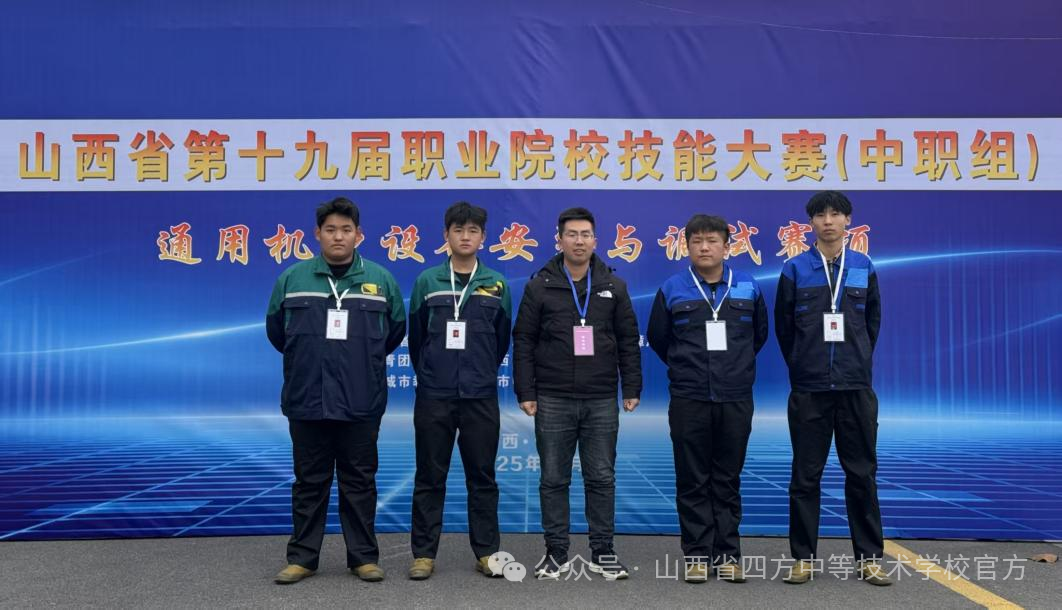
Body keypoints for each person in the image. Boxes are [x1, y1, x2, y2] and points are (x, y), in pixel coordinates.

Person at [266, 196, 406, 584]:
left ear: (359, 235)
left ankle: (363, 557)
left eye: (346, 229)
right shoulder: (292, 279)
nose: (338, 236)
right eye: (330, 229)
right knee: (309, 483)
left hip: (361, 400)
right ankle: (302, 558)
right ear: (317, 234)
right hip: (307, 399)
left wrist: (359, 366)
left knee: (359, 482)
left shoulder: (381, 280)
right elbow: (277, 333)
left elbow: (394, 333)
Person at [512, 206, 642, 581]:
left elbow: (628, 340)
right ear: (560, 240)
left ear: (595, 241)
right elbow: (524, 341)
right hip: (553, 397)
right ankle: (556, 553)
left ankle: (603, 552)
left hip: (601, 397)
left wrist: (631, 386)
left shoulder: (614, 286)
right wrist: (526, 390)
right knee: (554, 479)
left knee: (601, 477)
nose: (579, 241)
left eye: (586, 235)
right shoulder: (540, 285)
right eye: (572, 234)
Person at [774, 191, 890, 586]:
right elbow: (784, 329)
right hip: (810, 389)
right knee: (805, 476)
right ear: (810, 223)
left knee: (862, 474)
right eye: (820, 215)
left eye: (835, 214)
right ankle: (803, 558)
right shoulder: (795, 269)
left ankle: (869, 559)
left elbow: (872, 323)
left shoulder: (863, 266)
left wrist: (856, 361)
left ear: (847, 221)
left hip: (855, 387)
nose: (828, 221)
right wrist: (803, 365)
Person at [647, 214, 768, 584]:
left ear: (726, 246)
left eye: (712, 240)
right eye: (696, 241)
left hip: (735, 397)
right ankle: (697, 555)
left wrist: (734, 369)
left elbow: (759, 336)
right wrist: (688, 368)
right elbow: (659, 339)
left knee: (727, 478)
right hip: (690, 397)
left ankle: (728, 555)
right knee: (693, 479)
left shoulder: (748, 286)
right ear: (686, 246)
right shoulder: (672, 288)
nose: (704, 247)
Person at [406, 202, 512, 580]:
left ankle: (487, 552)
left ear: (483, 237)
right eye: (458, 230)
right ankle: (423, 554)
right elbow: (416, 338)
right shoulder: (427, 281)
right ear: (446, 235)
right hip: (434, 395)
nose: (465, 237)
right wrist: (433, 372)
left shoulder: (497, 284)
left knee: (482, 477)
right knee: (429, 476)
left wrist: (478, 372)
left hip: (480, 396)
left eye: (472, 231)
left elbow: (501, 341)